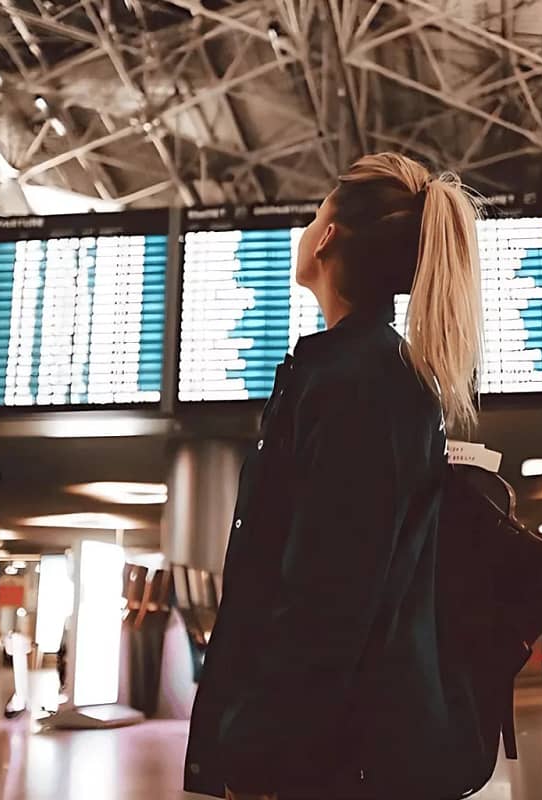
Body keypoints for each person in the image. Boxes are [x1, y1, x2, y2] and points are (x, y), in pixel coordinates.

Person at [185, 153, 486, 800]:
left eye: (315, 211)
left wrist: (260, 752)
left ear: (326, 237)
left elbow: (325, 594)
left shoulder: (359, 387)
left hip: (339, 760)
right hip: (356, 747)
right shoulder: (367, 377)